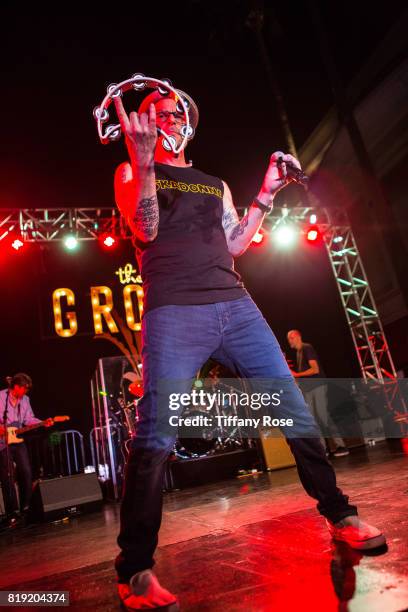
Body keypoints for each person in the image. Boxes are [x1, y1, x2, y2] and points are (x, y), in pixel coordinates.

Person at [111, 86, 386, 611]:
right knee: (156, 434)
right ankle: (135, 567)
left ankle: (340, 515)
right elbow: (145, 230)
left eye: (173, 112)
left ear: (188, 120)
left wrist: (266, 193)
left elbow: (235, 243)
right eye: (155, 114)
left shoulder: (213, 184)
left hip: (236, 306)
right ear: (141, 124)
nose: (166, 118)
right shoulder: (131, 171)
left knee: (293, 408)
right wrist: (143, 162)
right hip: (175, 310)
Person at [0, 373, 53, 527]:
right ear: (16, 386)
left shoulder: (26, 400)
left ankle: (26, 507)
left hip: (18, 440)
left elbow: (28, 419)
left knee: (26, 471)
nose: (25, 392)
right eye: (24, 388)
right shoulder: (1, 397)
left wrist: (43, 422)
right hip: (3, 443)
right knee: (7, 476)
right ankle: (12, 512)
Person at [287, 329, 349, 457]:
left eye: (291, 338)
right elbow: (302, 376)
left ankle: (341, 446)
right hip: (309, 390)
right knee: (313, 420)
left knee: (323, 416)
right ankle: (322, 449)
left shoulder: (307, 348)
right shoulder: (299, 353)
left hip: (318, 386)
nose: (289, 341)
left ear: (297, 336)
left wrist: (297, 374)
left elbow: (315, 369)